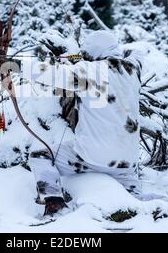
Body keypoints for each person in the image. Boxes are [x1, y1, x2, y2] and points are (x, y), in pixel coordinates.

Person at [26, 31, 143, 216]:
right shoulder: (134, 69)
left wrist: (12, 65)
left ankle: (54, 201)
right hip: (127, 162)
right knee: (138, 202)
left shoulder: (90, 72)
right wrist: (78, 58)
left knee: (41, 155)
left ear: (93, 53)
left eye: (87, 54)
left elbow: (46, 75)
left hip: (92, 157)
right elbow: (138, 53)